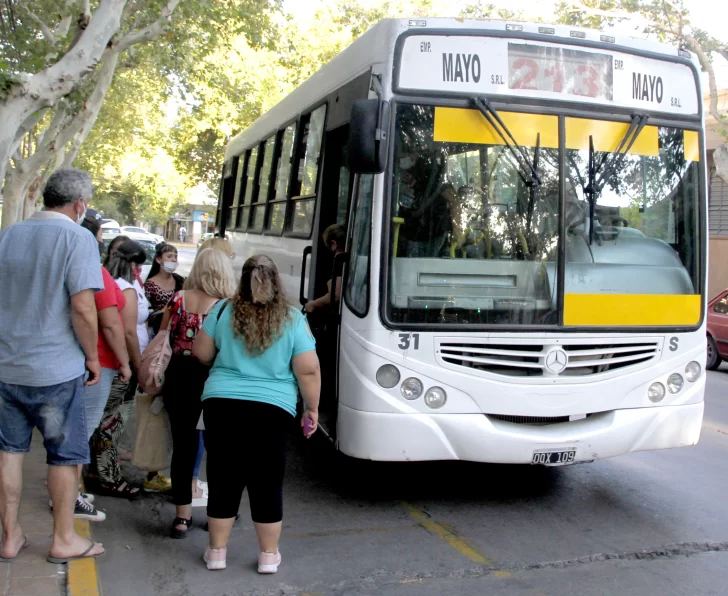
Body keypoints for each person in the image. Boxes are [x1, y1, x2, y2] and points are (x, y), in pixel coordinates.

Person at [0, 168, 105, 563]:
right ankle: (63, 538)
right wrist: (92, 358)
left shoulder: (8, 235)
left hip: (6, 366)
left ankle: (10, 537)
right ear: (79, 204)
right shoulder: (77, 238)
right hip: (56, 370)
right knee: (64, 455)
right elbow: (83, 307)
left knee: (8, 451)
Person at [192, 255, 320, 573]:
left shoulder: (222, 310)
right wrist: (312, 408)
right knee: (267, 481)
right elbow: (308, 370)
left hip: (222, 404)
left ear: (243, 280)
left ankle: (217, 553)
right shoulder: (293, 318)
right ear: (277, 281)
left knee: (223, 477)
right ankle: (268, 556)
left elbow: (201, 353)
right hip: (273, 409)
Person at [154, 248, 236, 538]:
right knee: (220, 449)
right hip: (215, 380)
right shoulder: (227, 307)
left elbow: (163, 337)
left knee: (184, 447)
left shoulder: (178, 299)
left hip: (179, 377)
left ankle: (182, 516)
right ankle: (218, 514)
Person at [76, 211, 132, 520]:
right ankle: (69, 496)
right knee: (80, 433)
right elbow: (112, 326)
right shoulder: (95, 274)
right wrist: (125, 364)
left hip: (84, 361)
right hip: (99, 363)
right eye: (98, 238)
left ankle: (72, 490)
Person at [87, 240, 150, 498]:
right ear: (132, 264)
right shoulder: (125, 289)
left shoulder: (106, 280)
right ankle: (108, 477)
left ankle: (95, 471)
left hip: (109, 363)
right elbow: (127, 333)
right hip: (118, 365)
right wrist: (137, 366)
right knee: (111, 423)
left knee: (101, 421)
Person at [396, 152, 459, 258]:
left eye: (406, 152)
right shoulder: (390, 168)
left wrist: (458, 231)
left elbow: (454, 200)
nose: (402, 156)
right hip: (402, 233)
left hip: (430, 236)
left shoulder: (430, 171)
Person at [144, 243, 184, 335]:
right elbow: (144, 314)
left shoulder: (180, 280)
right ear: (158, 259)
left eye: (175, 257)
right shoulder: (150, 285)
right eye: (169, 256)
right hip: (158, 331)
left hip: (177, 330)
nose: (173, 259)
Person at [305, 224, 345, 314]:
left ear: (334, 244)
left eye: (328, 246)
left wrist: (313, 304)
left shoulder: (339, 262)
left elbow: (335, 295)